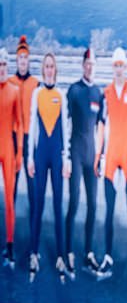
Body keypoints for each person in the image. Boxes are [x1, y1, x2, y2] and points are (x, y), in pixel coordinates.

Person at [27, 52, 72, 282]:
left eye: (52, 66)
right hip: (40, 153)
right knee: (38, 205)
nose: (49, 69)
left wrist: (66, 159)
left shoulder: (61, 95)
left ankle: (61, 257)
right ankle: (34, 254)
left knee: (57, 207)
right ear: (42, 69)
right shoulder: (36, 94)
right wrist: (30, 157)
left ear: (56, 69)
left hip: (56, 156)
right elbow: (32, 125)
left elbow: (65, 131)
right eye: (46, 66)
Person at [99, 47, 127, 279]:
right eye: (115, 65)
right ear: (112, 67)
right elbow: (102, 126)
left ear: (125, 67)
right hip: (111, 156)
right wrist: (101, 155)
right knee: (109, 210)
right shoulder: (105, 93)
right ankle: (107, 257)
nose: (118, 69)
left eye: (121, 65)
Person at [65, 48, 104, 278]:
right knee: (75, 202)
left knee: (93, 205)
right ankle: (69, 252)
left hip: (92, 157)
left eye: (93, 63)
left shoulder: (98, 93)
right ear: (82, 65)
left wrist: (100, 156)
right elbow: (67, 124)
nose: (90, 67)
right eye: (87, 63)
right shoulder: (74, 91)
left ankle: (88, 254)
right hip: (77, 154)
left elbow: (100, 128)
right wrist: (67, 157)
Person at [10, 36, 37, 238]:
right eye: (19, 58)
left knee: (32, 191)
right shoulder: (8, 83)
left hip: (29, 140)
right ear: (16, 61)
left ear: (28, 61)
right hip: (12, 139)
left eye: (25, 58)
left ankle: (33, 239)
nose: (22, 62)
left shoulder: (35, 84)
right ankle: (9, 239)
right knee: (10, 191)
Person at [0, 48, 23, 267]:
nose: (2, 69)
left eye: (4, 65)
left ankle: (9, 246)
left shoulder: (14, 90)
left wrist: (19, 153)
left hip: (8, 146)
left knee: (9, 200)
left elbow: (20, 123)